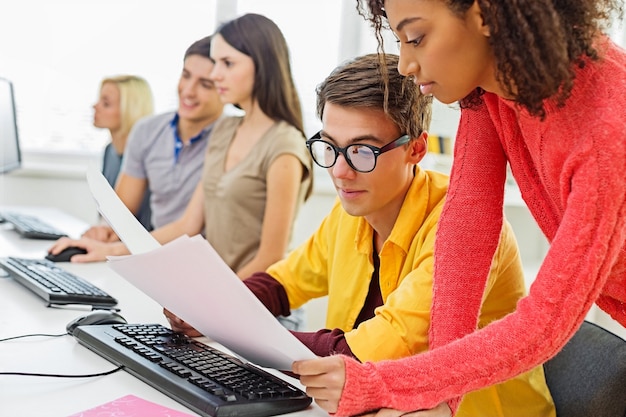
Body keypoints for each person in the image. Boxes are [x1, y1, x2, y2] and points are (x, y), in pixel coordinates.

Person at [167, 52, 556, 417]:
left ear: (416, 149)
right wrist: (213, 309)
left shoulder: (464, 228)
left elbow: (369, 350)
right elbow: (282, 284)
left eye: (362, 152)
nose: (339, 171)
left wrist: (231, 329)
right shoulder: (353, 211)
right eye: (330, 148)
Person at [292, 1, 626, 416]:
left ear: (486, 13)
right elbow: (463, 250)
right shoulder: (491, 91)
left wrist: (384, 384)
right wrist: (442, 402)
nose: (405, 65)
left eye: (416, 38)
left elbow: (546, 322)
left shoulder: (607, 133)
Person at [51, 14, 313, 330]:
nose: (216, 75)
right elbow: (188, 224)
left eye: (227, 64)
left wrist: (209, 307)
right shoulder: (226, 131)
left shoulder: (285, 146)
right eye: (215, 64)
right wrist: (112, 251)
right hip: (211, 300)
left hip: (253, 307)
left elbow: (270, 258)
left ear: (262, 66)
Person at [51, 35, 225, 246]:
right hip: (152, 251)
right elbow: (121, 215)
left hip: (199, 257)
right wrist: (104, 233)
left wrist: (118, 249)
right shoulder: (147, 131)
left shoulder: (230, 138)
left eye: (205, 84)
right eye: (185, 76)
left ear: (223, 88)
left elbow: (189, 227)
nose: (188, 90)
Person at [93, 75, 154, 230]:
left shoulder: (148, 157)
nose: (95, 106)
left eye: (106, 103)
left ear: (129, 110)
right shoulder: (109, 152)